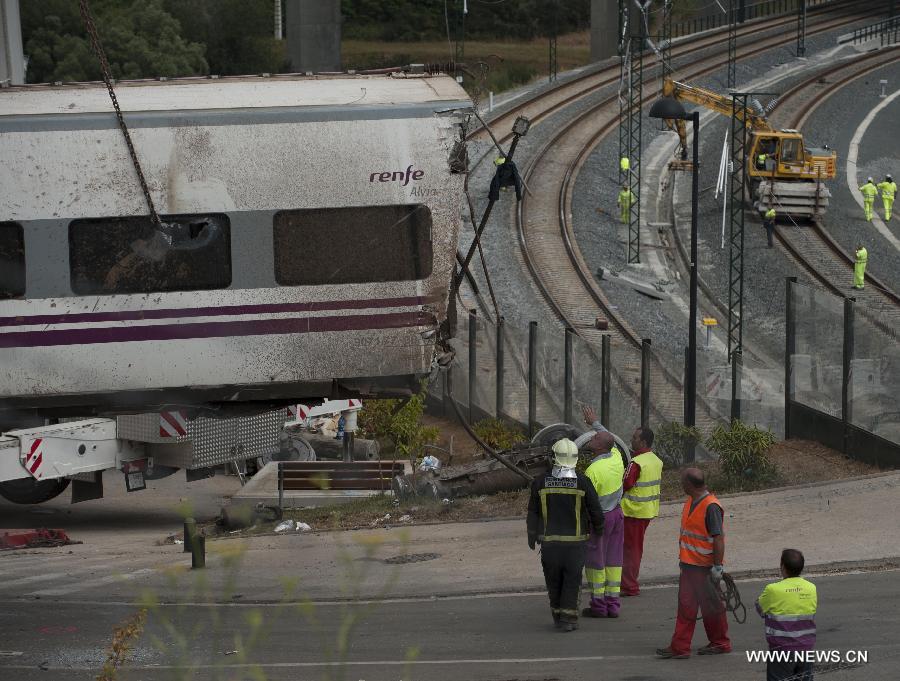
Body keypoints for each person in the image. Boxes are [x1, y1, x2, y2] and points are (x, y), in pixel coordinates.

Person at [582, 406, 662, 596]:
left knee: (628, 551)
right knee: (631, 549)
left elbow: (624, 484)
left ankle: (629, 586)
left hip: (632, 512)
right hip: (647, 511)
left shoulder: (635, 464)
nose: (631, 440)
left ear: (642, 441)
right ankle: (624, 584)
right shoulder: (654, 459)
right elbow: (610, 440)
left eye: (634, 438)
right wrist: (595, 423)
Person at [527, 438, 604, 632]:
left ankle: (557, 616)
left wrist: (531, 536)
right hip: (575, 545)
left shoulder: (540, 482)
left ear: (553, 458)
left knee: (553, 581)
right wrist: (599, 530)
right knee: (572, 580)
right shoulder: (583, 482)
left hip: (550, 544)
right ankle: (568, 620)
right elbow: (595, 510)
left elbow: (533, 513)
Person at [657, 468, 731, 659]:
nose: (681, 484)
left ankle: (715, 643)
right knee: (691, 607)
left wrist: (717, 567)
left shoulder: (711, 507)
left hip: (703, 568)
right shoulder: (692, 501)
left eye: (682, 481)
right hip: (690, 565)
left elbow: (718, 539)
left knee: (707, 608)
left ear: (689, 484)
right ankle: (683, 646)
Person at [582, 430, 625, 618]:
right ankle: (613, 604)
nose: (591, 438)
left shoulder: (592, 471)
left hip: (600, 519)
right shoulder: (616, 458)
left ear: (600, 446)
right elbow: (612, 441)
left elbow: (587, 502)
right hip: (617, 515)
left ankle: (598, 605)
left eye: (595, 437)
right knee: (613, 560)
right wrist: (595, 423)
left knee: (595, 562)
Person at [756, 549, 818, 681]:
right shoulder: (811, 588)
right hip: (806, 649)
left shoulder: (773, 589)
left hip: (781, 650)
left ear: (782, 567)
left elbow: (760, 607)